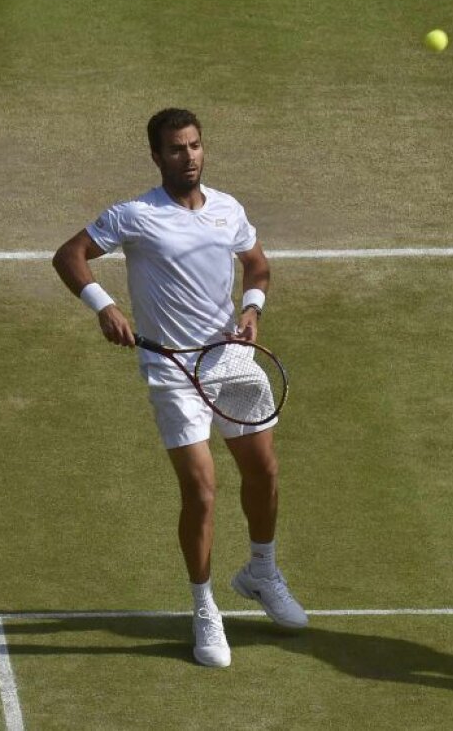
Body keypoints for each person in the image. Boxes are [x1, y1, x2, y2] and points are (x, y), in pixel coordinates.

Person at [53, 108, 307, 668]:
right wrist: (105, 307)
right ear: (157, 156)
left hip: (232, 360)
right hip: (173, 372)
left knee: (263, 470)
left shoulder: (228, 209)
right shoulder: (135, 215)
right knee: (202, 489)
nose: (188, 156)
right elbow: (69, 256)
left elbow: (257, 266)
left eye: (194, 146)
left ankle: (261, 572)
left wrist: (252, 309)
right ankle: (204, 606)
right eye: (175, 149)